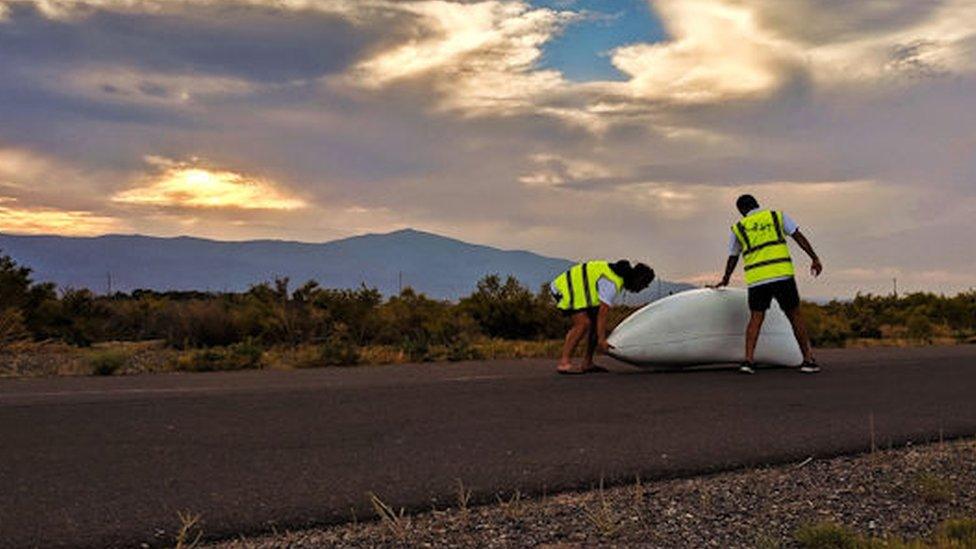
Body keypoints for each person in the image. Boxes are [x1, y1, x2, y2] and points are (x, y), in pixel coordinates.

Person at [711, 194, 823, 374]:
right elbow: (798, 237)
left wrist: (726, 279)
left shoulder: (739, 227)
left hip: (758, 279)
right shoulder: (776, 216)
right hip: (782, 275)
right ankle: (809, 359)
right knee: (795, 315)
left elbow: (733, 256)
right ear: (757, 204)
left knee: (756, 318)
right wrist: (814, 258)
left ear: (741, 211)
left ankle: (748, 361)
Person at [551, 260, 655, 374]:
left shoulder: (617, 275)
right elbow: (603, 313)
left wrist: (601, 336)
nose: (644, 288)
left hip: (581, 293)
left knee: (594, 325)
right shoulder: (612, 282)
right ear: (638, 280)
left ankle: (587, 363)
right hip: (564, 288)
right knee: (583, 324)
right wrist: (602, 340)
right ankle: (564, 363)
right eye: (645, 285)